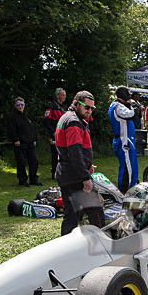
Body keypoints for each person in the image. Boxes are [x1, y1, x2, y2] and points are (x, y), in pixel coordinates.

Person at [55, 90, 104, 236]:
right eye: (86, 107)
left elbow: (71, 152)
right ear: (76, 104)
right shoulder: (74, 122)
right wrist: (85, 177)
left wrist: (87, 165)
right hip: (75, 177)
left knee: (71, 217)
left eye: (92, 108)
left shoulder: (67, 117)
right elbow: (74, 152)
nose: (89, 111)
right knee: (96, 214)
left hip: (66, 174)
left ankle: (65, 246)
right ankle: (103, 244)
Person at [108, 86, 137, 193]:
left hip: (126, 140)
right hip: (123, 141)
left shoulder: (119, 105)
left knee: (131, 166)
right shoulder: (117, 106)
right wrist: (132, 105)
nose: (130, 96)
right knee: (127, 169)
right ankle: (125, 192)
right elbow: (131, 114)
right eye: (128, 94)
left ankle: (132, 187)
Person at [7, 97, 40, 187]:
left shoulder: (27, 115)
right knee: (21, 162)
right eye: (18, 104)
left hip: (30, 142)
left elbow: (33, 127)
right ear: (15, 105)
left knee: (34, 161)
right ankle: (22, 180)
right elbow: (11, 129)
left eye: (22, 104)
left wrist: (34, 139)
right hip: (20, 142)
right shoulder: (12, 116)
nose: (20, 106)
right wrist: (15, 139)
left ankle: (33, 179)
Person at [43, 87, 66, 179]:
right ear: (57, 96)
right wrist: (53, 132)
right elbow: (46, 121)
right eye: (62, 94)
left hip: (63, 135)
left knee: (63, 154)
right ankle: (55, 173)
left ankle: (62, 172)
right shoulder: (51, 107)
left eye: (65, 95)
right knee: (55, 154)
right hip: (54, 135)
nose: (64, 96)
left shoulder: (64, 107)